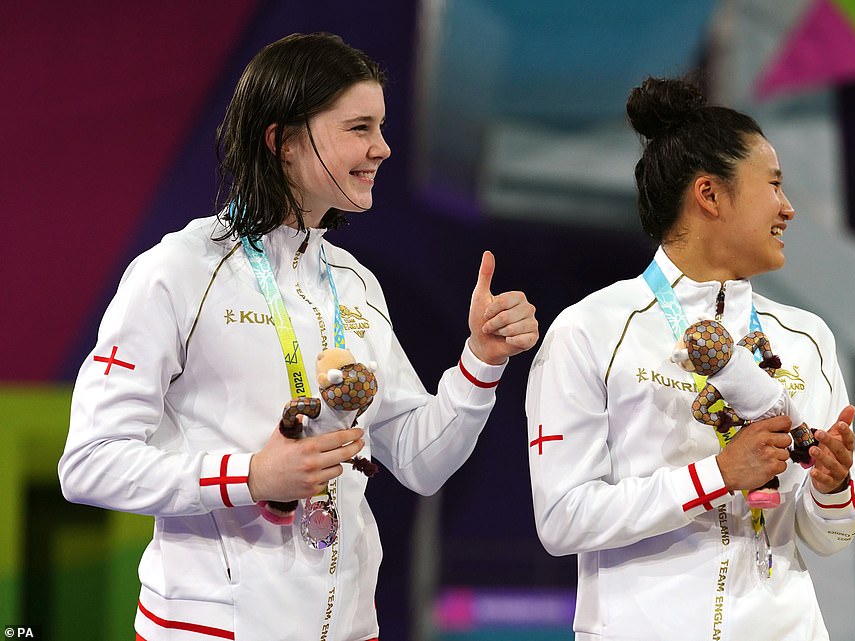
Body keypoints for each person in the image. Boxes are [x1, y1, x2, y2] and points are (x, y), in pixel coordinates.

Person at [59, 32, 538, 641]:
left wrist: (481, 363)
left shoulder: (355, 284)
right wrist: (252, 476)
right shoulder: (179, 270)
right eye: (359, 128)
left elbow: (420, 462)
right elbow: (89, 466)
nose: (383, 148)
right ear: (282, 141)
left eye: (382, 127)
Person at [525, 76, 855, 641]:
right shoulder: (593, 330)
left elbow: (831, 535)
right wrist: (716, 475)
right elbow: (562, 519)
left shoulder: (807, 338)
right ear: (710, 195)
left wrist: (832, 487)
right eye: (774, 186)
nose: (788, 208)